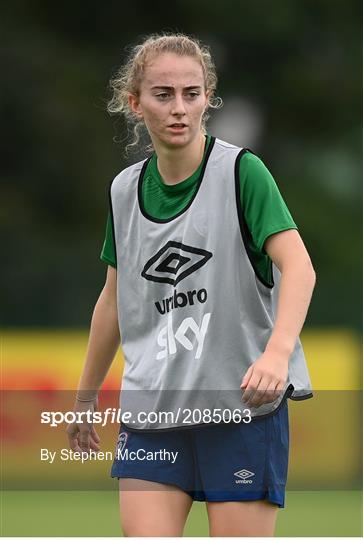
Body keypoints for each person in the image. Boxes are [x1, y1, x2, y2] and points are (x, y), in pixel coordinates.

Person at [67, 32, 316, 537]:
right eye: (163, 95)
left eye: (192, 93)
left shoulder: (243, 172)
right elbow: (114, 301)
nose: (180, 108)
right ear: (135, 104)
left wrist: (276, 352)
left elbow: (300, 267)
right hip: (154, 413)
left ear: (208, 98)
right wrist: (86, 398)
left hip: (241, 410)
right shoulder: (124, 190)